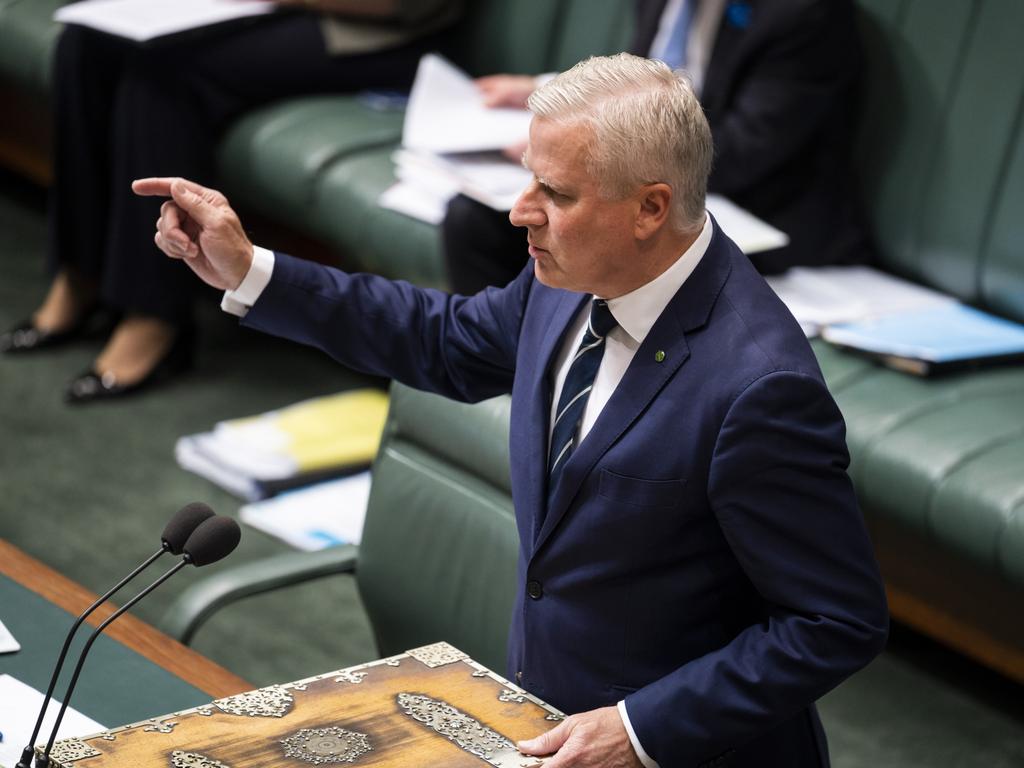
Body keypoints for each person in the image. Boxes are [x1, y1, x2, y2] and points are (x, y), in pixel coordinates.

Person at [136, 54, 888, 767]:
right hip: (541, 722)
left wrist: (639, 730)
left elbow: (833, 623)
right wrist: (251, 270)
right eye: (530, 180)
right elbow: (444, 339)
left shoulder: (758, 387)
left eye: (556, 195)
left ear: (650, 209)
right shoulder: (568, 280)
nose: (519, 212)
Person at [0, 0, 462, 403]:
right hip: (254, 10)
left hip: (373, 28)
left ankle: (155, 314)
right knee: (84, 43)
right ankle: (81, 273)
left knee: (162, 76)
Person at [443, 0, 871, 294]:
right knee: (475, 219)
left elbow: (742, 151)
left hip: (755, 209)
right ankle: (520, 393)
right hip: (650, 179)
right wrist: (543, 90)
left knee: (592, 233)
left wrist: (579, 151)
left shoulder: (804, 12)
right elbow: (641, 86)